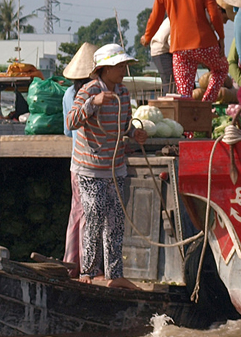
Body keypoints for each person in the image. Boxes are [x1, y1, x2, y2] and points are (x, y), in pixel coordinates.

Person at [65, 44, 147, 289]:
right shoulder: (89, 90)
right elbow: (71, 121)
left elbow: (124, 126)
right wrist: (94, 103)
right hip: (90, 168)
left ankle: (115, 273)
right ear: (105, 69)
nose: (123, 70)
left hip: (114, 166)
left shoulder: (123, 92)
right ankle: (88, 271)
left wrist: (135, 134)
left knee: (116, 219)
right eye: (119, 66)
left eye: (123, 66)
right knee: (94, 217)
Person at [140, 0, 229, 102]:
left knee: (184, 93)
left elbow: (155, 18)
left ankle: (187, 124)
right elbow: (215, 15)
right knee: (221, 69)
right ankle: (206, 103)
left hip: (180, 50)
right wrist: (221, 38)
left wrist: (147, 38)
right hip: (206, 45)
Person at [60, 42, 98, 278]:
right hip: (88, 164)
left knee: (77, 214)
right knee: (87, 217)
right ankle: (86, 268)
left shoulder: (68, 94)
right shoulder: (93, 95)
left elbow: (67, 131)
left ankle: (71, 263)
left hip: (76, 162)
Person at [148, 19, 174, 94]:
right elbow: (172, 40)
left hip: (172, 48)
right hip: (161, 49)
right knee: (171, 85)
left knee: (187, 84)